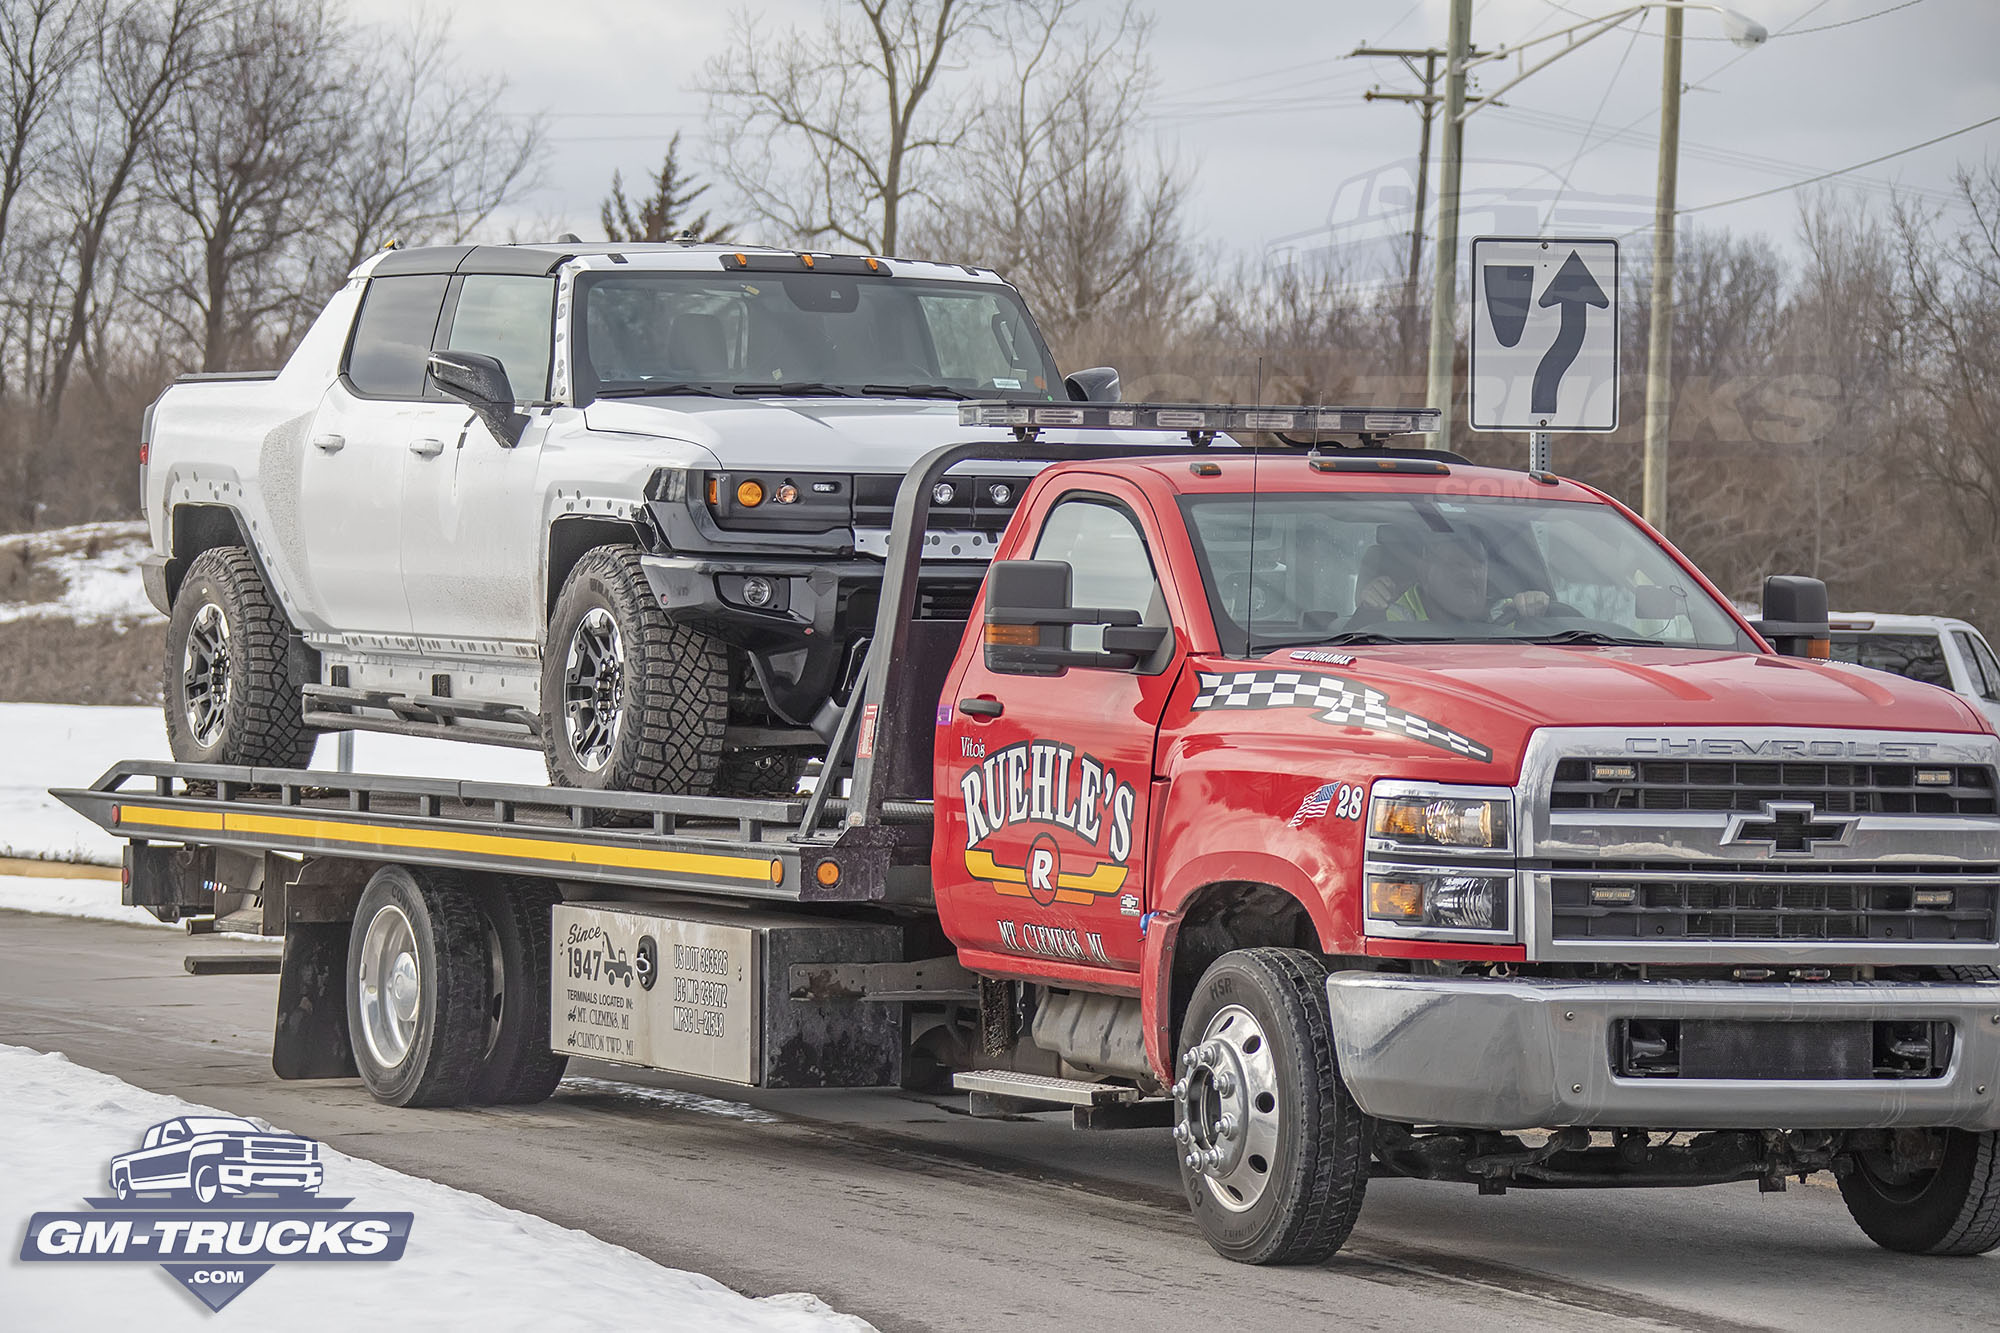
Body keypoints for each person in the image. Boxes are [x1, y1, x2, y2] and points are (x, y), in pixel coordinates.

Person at [1353, 531, 1549, 626]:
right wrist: (1368, 612)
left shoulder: (1512, 612)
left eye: (1479, 564)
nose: (1473, 574)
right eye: (1458, 565)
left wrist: (1539, 609)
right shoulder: (1389, 619)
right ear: (1424, 572)